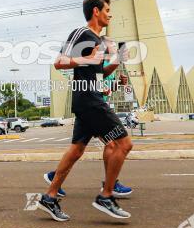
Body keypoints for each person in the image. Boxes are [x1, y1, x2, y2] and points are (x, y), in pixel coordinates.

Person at [37, 0, 133, 222]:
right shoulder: (82, 34)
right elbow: (59, 62)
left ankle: (49, 197)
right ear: (96, 11)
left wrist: (118, 58)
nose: (110, 14)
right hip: (88, 100)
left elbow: (101, 72)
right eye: (107, 10)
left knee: (77, 150)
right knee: (122, 143)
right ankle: (106, 195)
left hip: (92, 98)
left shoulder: (99, 41)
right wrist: (85, 60)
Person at [41, 49, 133, 199]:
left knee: (77, 149)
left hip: (91, 109)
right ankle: (110, 185)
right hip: (94, 109)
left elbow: (105, 89)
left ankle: (54, 177)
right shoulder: (98, 63)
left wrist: (119, 84)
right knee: (112, 144)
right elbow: (97, 88)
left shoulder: (107, 65)